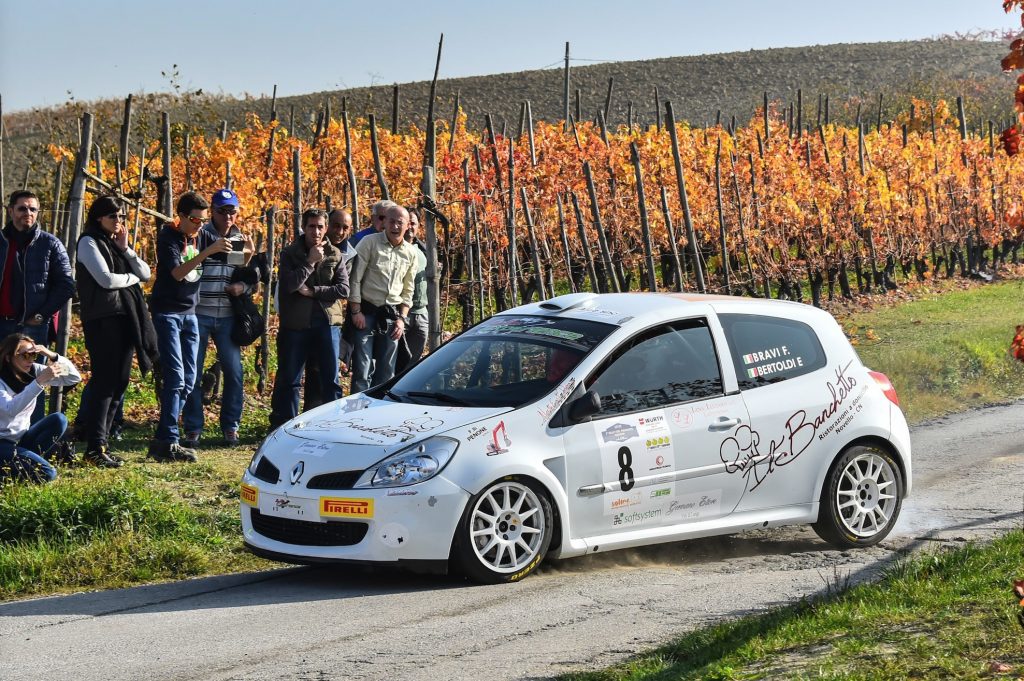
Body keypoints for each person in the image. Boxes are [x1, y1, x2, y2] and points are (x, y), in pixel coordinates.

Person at [148, 192, 232, 462]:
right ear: (181, 216)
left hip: (190, 314)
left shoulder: (202, 235)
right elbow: (177, 273)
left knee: (189, 380)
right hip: (168, 313)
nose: (200, 225)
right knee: (176, 378)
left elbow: (231, 260)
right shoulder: (168, 237)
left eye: (203, 220)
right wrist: (207, 251)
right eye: (195, 220)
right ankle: (169, 440)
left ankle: (163, 437)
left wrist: (247, 253)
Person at [75, 195, 158, 468]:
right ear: (99, 217)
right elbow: (106, 280)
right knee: (105, 382)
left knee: (119, 382)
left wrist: (125, 249)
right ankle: (94, 447)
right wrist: (131, 279)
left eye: (121, 216)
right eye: (113, 216)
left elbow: (146, 273)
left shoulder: (114, 244)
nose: (118, 221)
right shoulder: (88, 242)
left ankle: (103, 443)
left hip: (124, 319)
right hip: (102, 320)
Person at [182, 189, 254, 448]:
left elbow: (243, 277)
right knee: (193, 373)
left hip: (227, 316)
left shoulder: (239, 238)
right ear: (212, 211)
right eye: (222, 210)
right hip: (199, 313)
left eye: (231, 210)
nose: (227, 216)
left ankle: (230, 426)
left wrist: (244, 283)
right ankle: (193, 427)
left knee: (234, 373)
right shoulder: (199, 235)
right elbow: (188, 271)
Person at [269, 209, 350, 428]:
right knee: (290, 380)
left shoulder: (335, 253)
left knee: (330, 380)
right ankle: (285, 427)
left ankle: (331, 426)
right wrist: (310, 262)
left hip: (327, 323)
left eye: (320, 227)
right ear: (304, 227)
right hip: (296, 325)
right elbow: (289, 285)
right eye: (312, 226)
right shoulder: (290, 253)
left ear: (326, 228)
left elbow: (343, 289)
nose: (316, 231)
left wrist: (313, 292)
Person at [0, 190, 76, 422]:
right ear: (10, 210)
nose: (28, 213)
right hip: (1, 323)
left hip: (32, 327)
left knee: (35, 381)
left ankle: (33, 436)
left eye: (33, 209)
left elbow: (66, 285)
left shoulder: (50, 244)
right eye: (22, 208)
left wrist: (42, 315)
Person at [349, 204, 417, 394]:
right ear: (384, 222)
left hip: (392, 316)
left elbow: (408, 290)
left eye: (400, 223)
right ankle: (357, 407)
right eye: (391, 221)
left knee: (387, 370)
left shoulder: (410, 252)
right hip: (366, 312)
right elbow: (355, 279)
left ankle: (379, 407)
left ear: (407, 226)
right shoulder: (369, 242)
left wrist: (402, 319)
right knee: (362, 369)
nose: (395, 226)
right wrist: (355, 311)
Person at [0, 333, 80, 484]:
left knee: (59, 419)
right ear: (8, 357)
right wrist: (38, 383)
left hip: (19, 439)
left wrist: (52, 355)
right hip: (2, 442)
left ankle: (23, 461)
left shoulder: (34, 370)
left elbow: (73, 377)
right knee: (48, 473)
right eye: (25, 355)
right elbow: (10, 410)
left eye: (33, 355)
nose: (30, 360)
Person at [303, 208, 357, 411]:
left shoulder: (350, 254)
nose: (339, 231)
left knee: (330, 373)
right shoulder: (304, 247)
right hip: (304, 317)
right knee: (309, 371)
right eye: (336, 226)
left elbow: (343, 289)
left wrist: (313, 292)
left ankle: (330, 415)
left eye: (345, 228)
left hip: (331, 317)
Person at [394, 205, 428, 374]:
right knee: (394, 358)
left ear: (419, 225)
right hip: (401, 312)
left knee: (414, 362)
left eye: (413, 223)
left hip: (422, 313)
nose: (410, 227)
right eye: (407, 223)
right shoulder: (395, 249)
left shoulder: (424, 250)